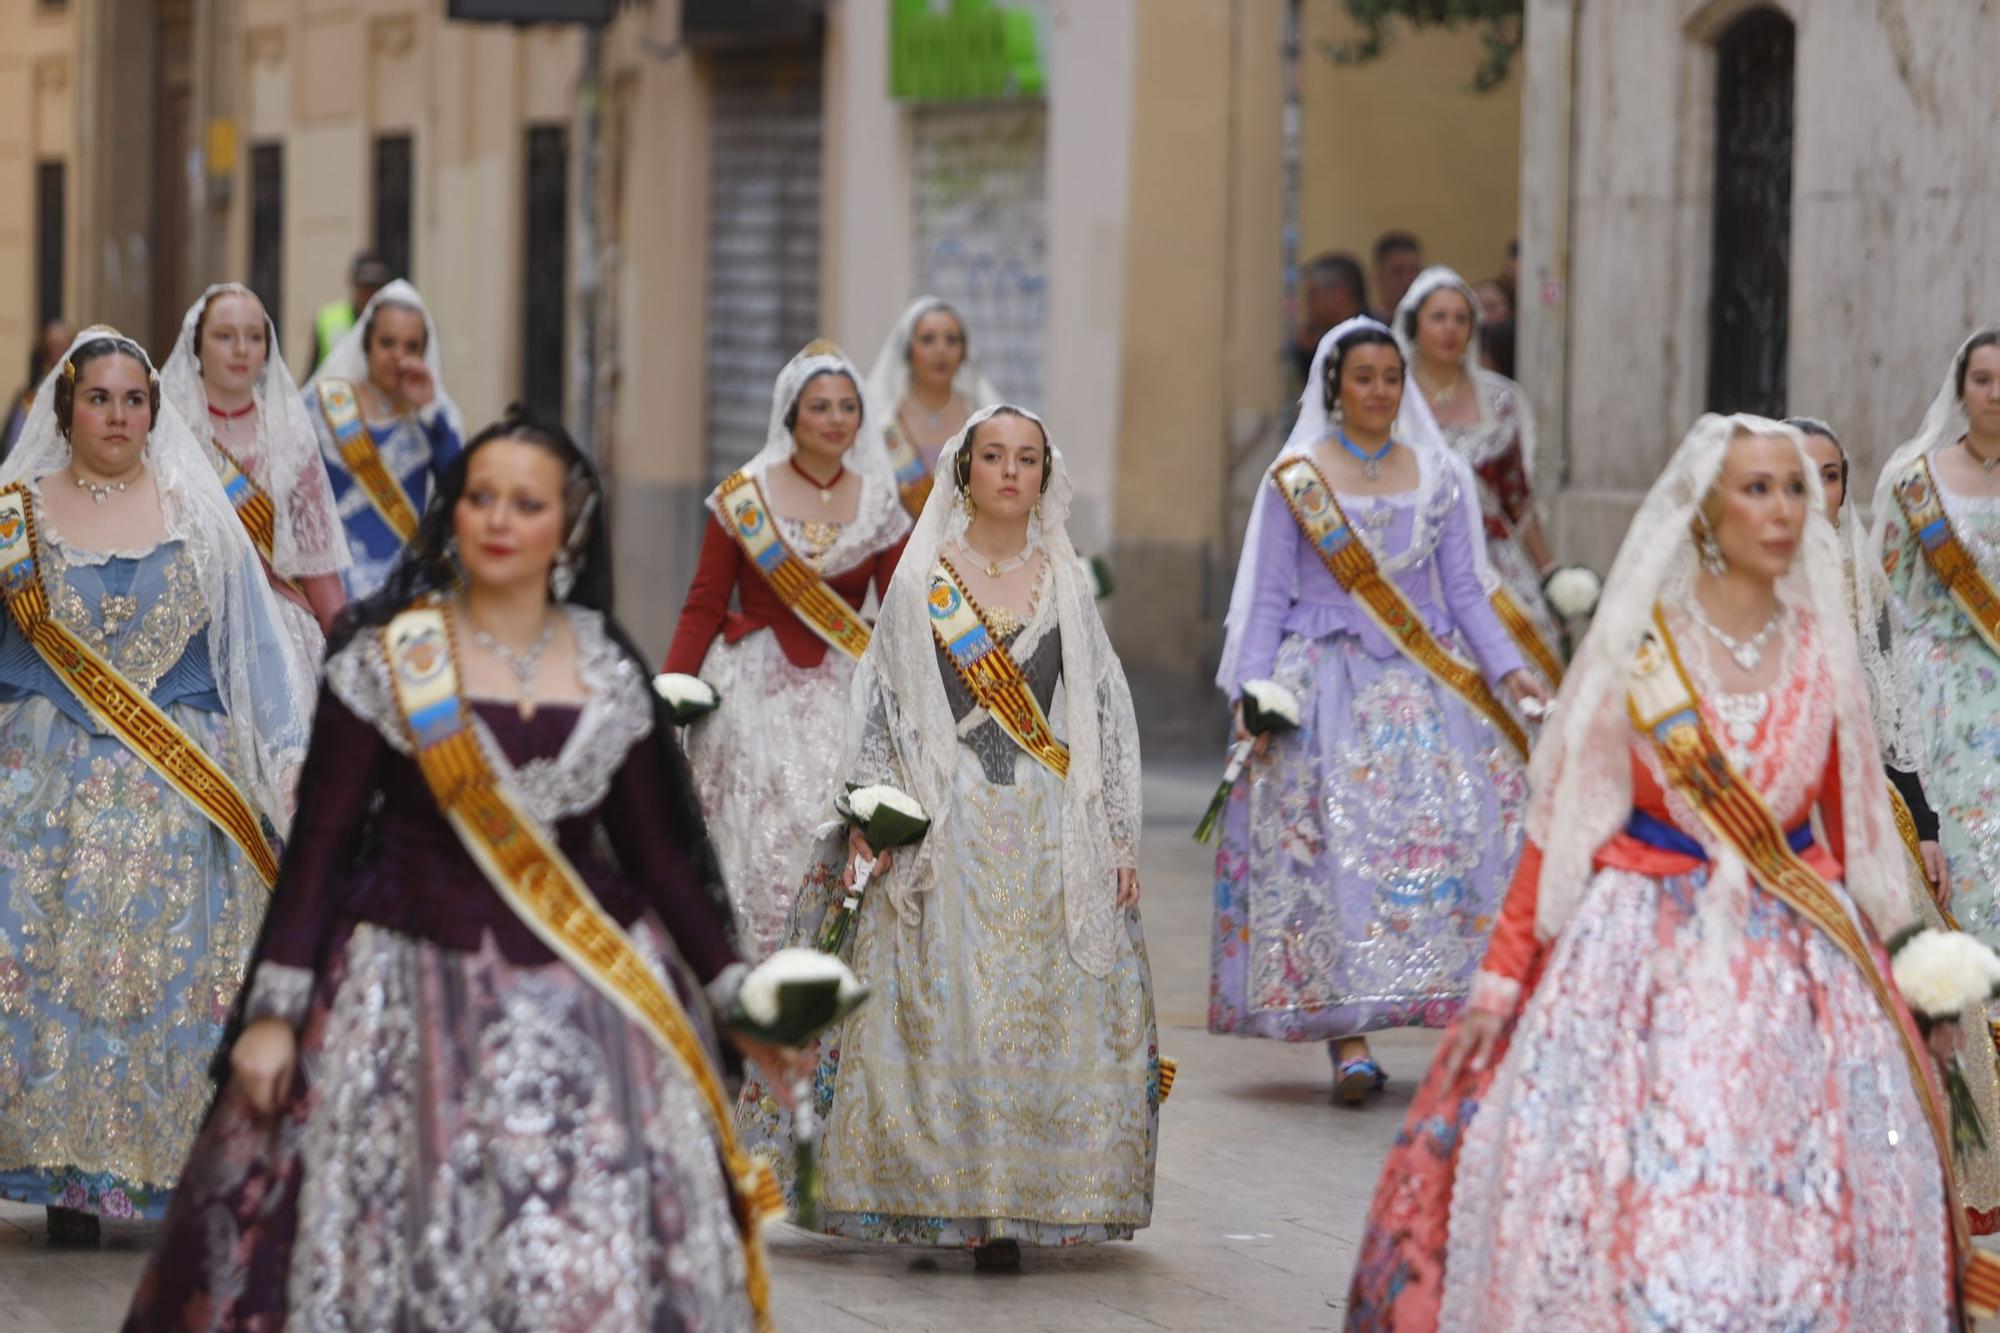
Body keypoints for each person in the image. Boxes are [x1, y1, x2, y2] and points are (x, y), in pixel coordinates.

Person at [125, 407, 795, 1330]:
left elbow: (662, 863)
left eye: (527, 502)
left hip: (589, 1009)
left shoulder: (606, 672)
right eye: (481, 497)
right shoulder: (384, 660)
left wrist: (733, 995)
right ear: (455, 511)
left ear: (572, 525)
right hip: (402, 995)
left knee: (579, 1253)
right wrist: (273, 1018)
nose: (499, 519)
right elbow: (318, 851)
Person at [1346, 415, 1962, 1329]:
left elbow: (1856, 844)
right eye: (1758, 488)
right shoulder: (1638, 652)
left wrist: (1919, 982)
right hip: (1641, 963)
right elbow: (1561, 833)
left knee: (1810, 1211)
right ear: (1707, 506)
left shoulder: (1824, 655)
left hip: (1799, 977)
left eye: (1795, 487)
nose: (1784, 509)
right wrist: (1502, 977)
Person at [738, 404, 1158, 1271]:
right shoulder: (926, 576)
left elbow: (1102, 712)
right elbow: (884, 706)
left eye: (1028, 458)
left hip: (1046, 825)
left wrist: (1116, 835)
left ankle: (1012, 1202)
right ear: (965, 470)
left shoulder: (1065, 580)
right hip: (943, 821)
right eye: (994, 456)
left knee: (1031, 1006)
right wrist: (872, 814)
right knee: (948, 1007)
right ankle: (953, 1198)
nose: (1011, 471)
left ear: (1047, 475)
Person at [0, 328, 313, 1243]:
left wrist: (287, 768)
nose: (117, 415)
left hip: (179, 783)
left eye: (133, 399)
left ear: (154, 409)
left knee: (176, 976)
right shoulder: (15, 516)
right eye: (98, 398)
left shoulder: (197, 513)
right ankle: (63, 1174)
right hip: (40, 787)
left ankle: (172, 1165)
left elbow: (250, 659)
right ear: (67, 409)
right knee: (45, 969)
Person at [1209, 317, 1547, 1104]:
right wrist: (1250, 694)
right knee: (1328, 850)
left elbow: (1466, 591)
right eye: (1364, 378)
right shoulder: (1296, 477)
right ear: (1335, 385)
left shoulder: (1440, 475)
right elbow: (1267, 597)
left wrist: (1511, 671)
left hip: (1426, 691)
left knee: (1460, 840)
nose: (1380, 391)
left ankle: (1468, 1021)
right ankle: (1347, 1038)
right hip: (1324, 685)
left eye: (1391, 378)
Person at [1793, 412, 2000, 1231]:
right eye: (1797, 472)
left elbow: (1889, 703)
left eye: (1833, 474)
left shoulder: (1857, 571)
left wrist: (1925, 825)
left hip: (1861, 811)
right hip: (1769, 815)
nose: (1816, 491)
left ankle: (1899, 1161)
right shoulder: (1725, 573)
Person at [666, 341, 911, 957]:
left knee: (833, 819)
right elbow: (703, 603)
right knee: (751, 832)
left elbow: (901, 619)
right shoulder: (745, 495)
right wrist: (668, 695)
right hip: (752, 692)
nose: (835, 419)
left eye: (848, 407)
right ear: (791, 416)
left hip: (841, 690)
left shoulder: (880, 504)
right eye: (819, 406)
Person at [161, 284, 350, 667]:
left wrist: (350, 649)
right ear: (197, 345)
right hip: (188, 620)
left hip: (280, 628)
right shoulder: (167, 431)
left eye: (254, 336)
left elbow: (317, 564)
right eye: (224, 336)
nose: (241, 349)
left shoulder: (290, 434)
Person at [1396, 266, 1566, 690]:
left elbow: (1517, 499)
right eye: (1438, 317)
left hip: (1494, 561)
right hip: (1415, 559)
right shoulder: (1390, 398)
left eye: (1461, 318)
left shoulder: (1500, 399)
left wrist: (1551, 574)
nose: (1450, 329)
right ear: (1415, 324)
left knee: (1523, 658)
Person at [305, 279, 464, 599]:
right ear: (367, 344)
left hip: (408, 586)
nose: (398, 356)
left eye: (411, 346)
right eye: (387, 343)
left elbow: (459, 487)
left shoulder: (435, 412)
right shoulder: (323, 406)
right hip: (332, 585)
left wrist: (429, 411)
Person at [863, 296, 1003, 517]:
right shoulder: (884, 421)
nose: (940, 350)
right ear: (908, 350)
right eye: (928, 339)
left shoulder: (984, 418)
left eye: (951, 340)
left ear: (964, 351)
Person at [308, 251, 392, 374]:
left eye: (376, 288)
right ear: (354, 284)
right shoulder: (328, 318)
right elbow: (312, 372)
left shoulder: (393, 326)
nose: (370, 294)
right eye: (365, 287)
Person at [2, 318, 75, 458]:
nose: (60, 352)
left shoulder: (85, 391)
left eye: (64, 346)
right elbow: (12, 446)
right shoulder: (30, 396)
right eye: (54, 346)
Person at [1292, 253, 1370, 382]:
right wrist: (1307, 355)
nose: (1306, 304)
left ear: (1339, 294)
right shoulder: (1317, 340)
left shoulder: (1376, 341)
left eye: (1312, 295)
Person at [1370, 231, 1424, 322]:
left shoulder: (1428, 329)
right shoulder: (1368, 329)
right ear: (1379, 277)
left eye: (1413, 270)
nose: (1406, 280)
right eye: (1397, 272)